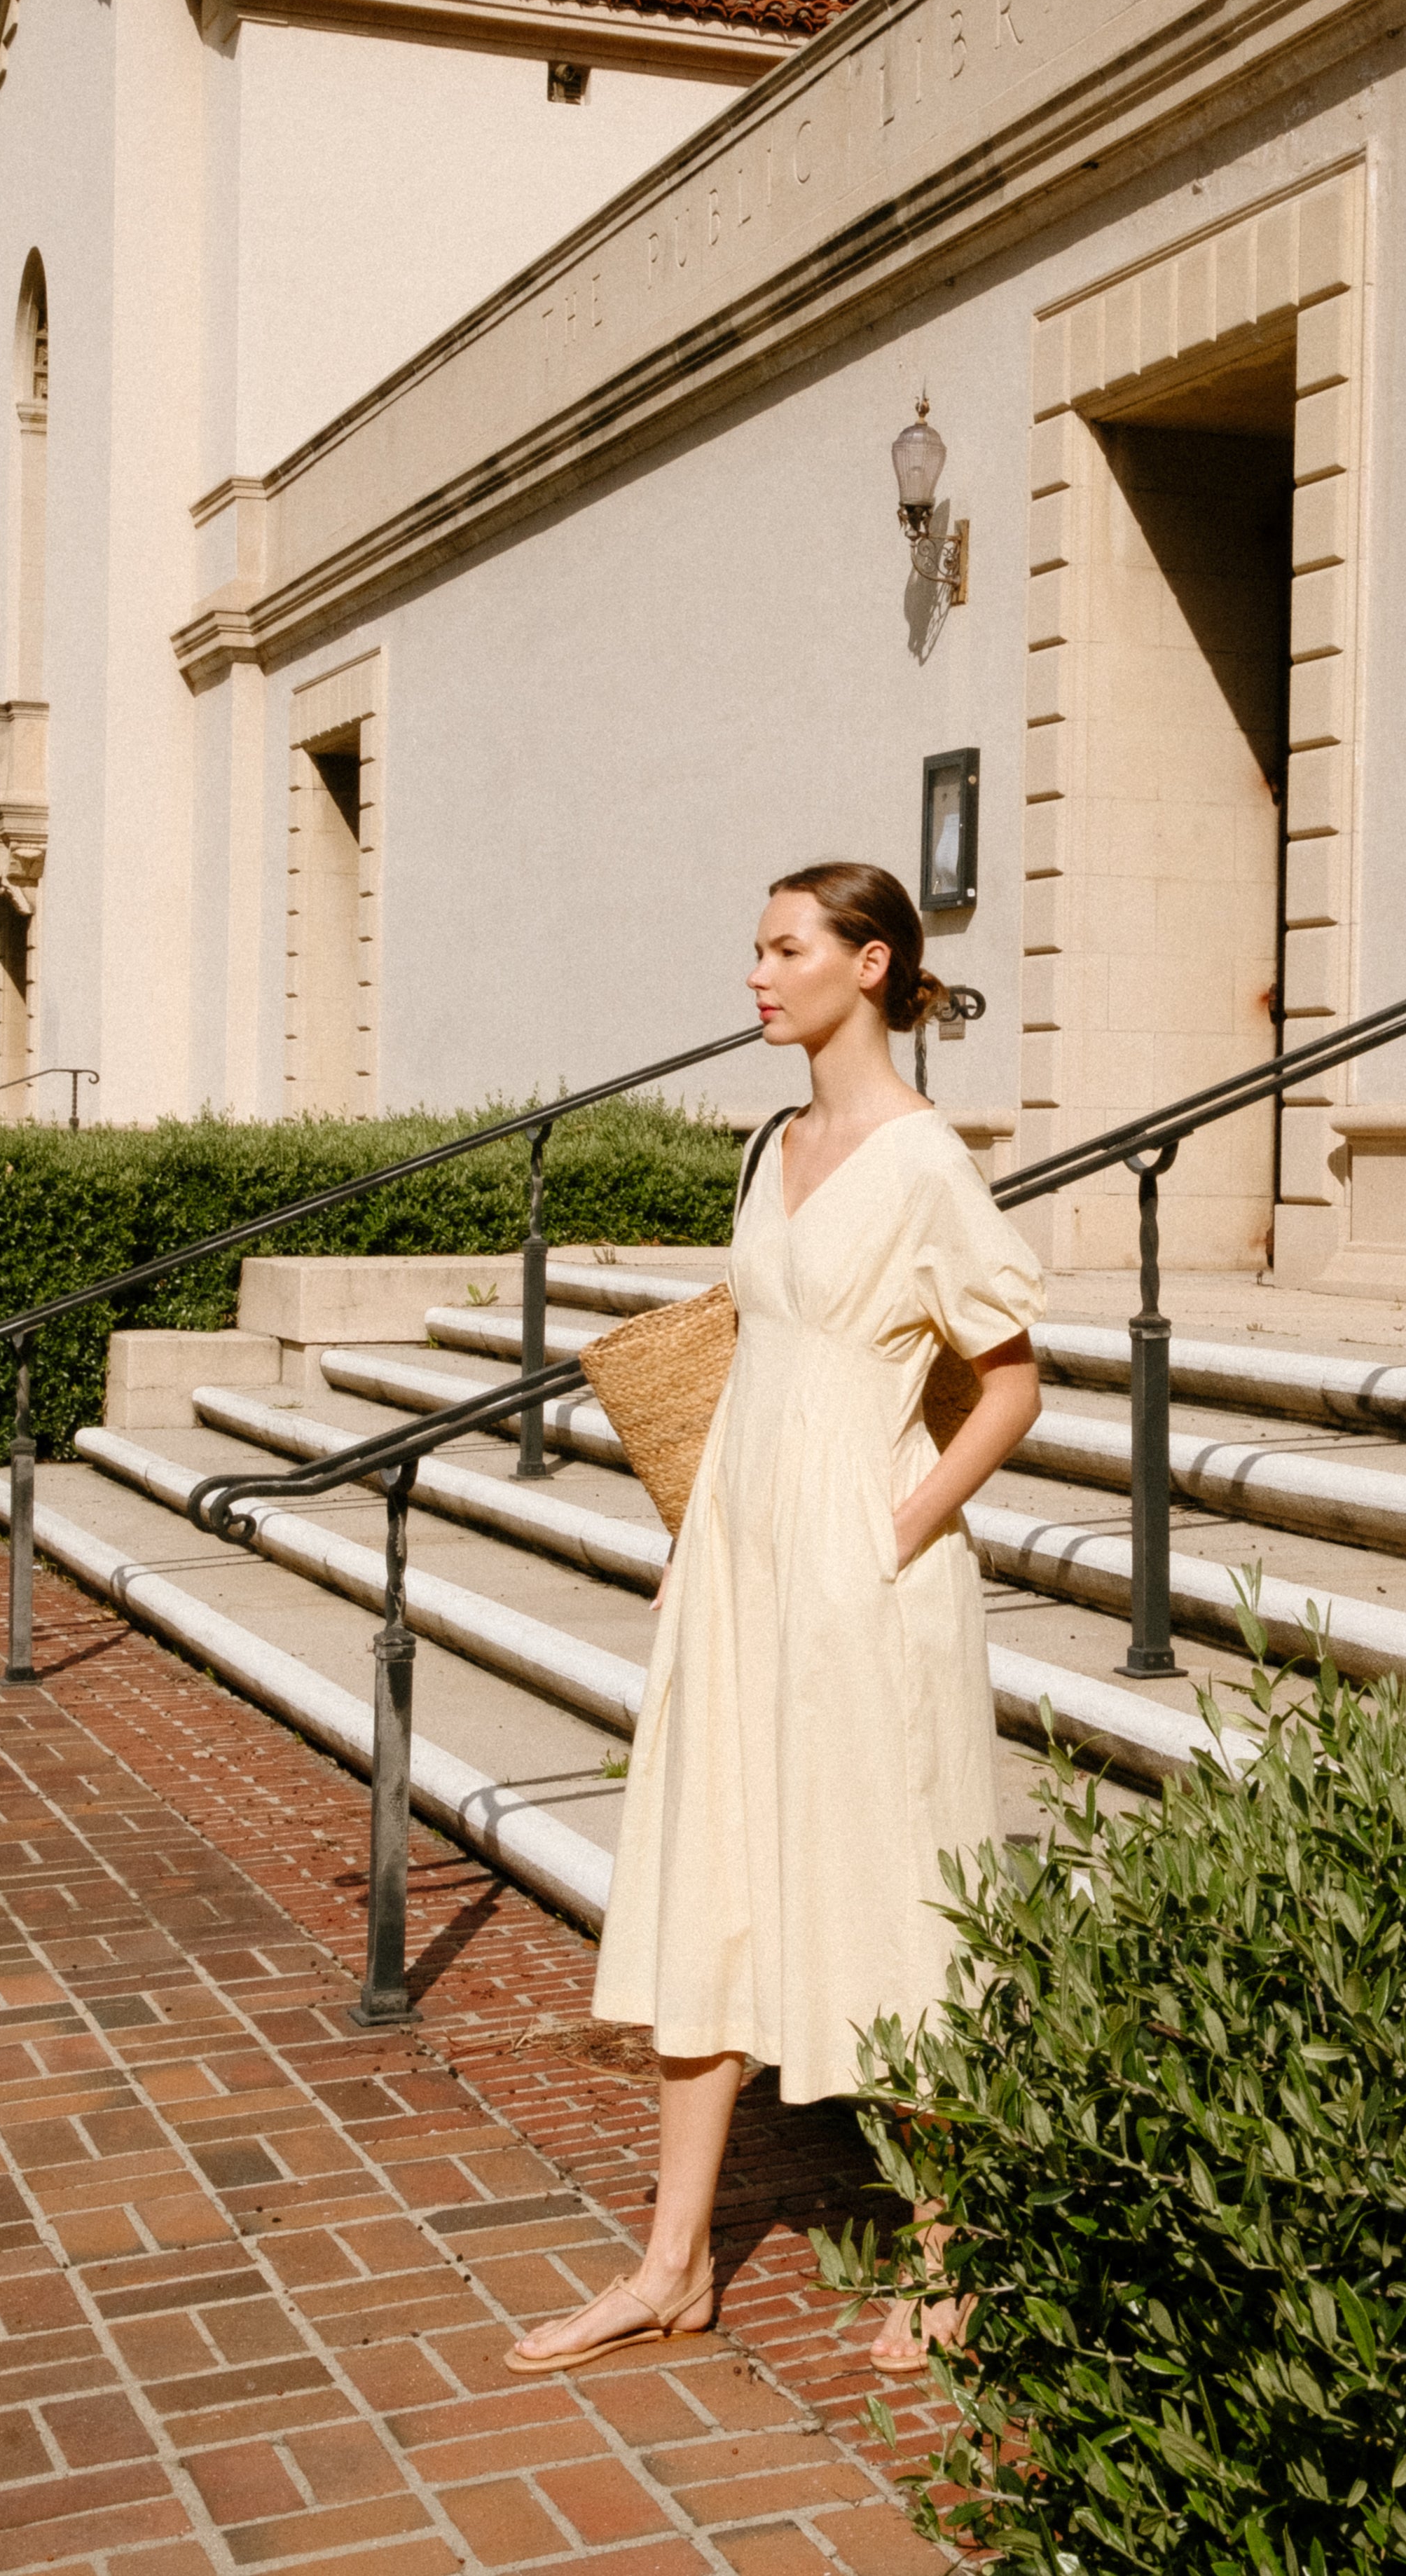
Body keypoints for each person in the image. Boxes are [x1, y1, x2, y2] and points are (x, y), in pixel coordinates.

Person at [504, 859, 1046, 2379]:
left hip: (862, 1581)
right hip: (738, 1568)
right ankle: (671, 2266)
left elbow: (1008, 1383)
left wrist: (895, 1527)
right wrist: (703, 1534)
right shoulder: (773, 1142)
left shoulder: (925, 1161)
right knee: (705, 1884)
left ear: (867, 964)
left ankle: (951, 2252)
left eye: (783, 947)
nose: (756, 972)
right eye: (753, 945)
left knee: (889, 1887)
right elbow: (756, 1359)